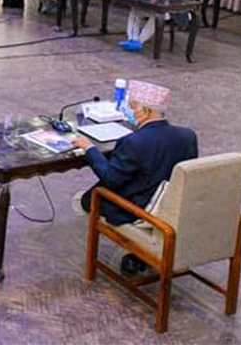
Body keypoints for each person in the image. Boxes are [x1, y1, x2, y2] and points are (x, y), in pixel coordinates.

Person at [72, 81, 197, 274]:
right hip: (171, 206)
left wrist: (89, 148)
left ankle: (137, 248)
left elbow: (111, 179)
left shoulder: (134, 142)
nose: (129, 112)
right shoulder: (188, 136)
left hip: (141, 211)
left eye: (132, 107)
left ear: (146, 111)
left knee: (84, 200)